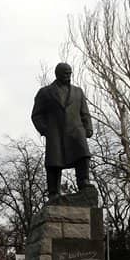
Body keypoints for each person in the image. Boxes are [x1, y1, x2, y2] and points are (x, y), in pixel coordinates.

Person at [31, 62, 94, 200]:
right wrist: (45, 130)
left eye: (70, 72)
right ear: (57, 73)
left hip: (76, 131)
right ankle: (53, 191)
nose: (68, 75)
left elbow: (85, 112)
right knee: (54, 162)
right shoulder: (45, 92)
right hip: (55, 133)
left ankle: (84, 182)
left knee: (83, 155)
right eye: (65, 73)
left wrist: (88, 127)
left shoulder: (78, 92)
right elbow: (36, 115)